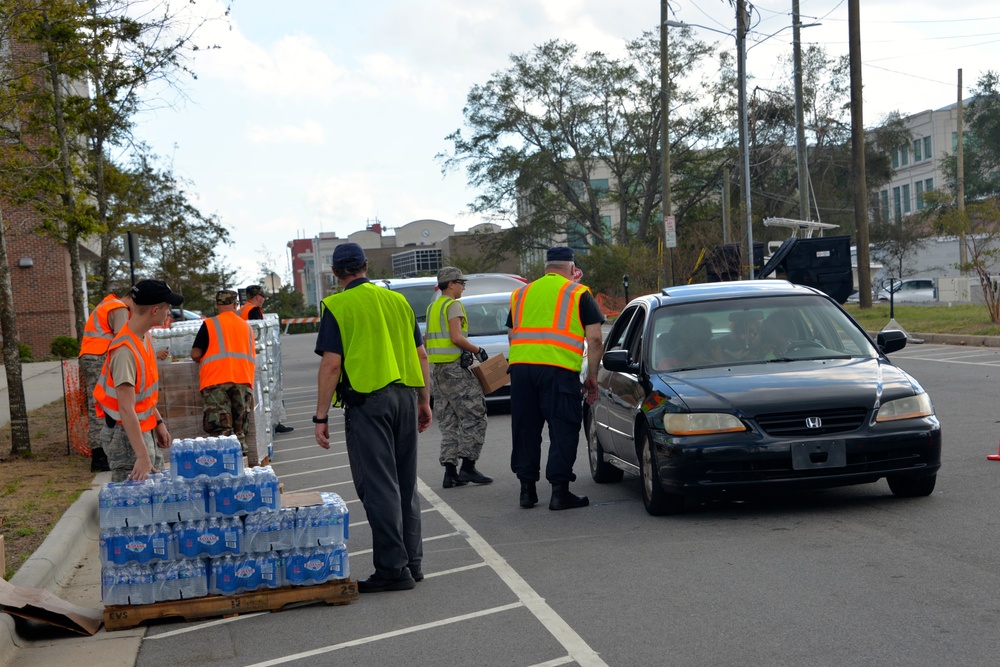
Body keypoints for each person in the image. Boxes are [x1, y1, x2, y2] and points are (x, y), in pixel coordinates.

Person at [313, 242, 432, 593]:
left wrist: (320, 417)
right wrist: (424, 400)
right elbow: (421, 354)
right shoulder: (399, 301)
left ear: (336, 274)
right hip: (404, 397)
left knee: (379, 487)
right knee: (405, 483)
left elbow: (332, 364)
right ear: (366, 265)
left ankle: (393, 570)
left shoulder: (338, 306)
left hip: (369, 403)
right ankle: (413, 563)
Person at [507, 246, 604, 511]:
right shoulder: (578, 293)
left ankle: (527, 491)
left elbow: (511, 334)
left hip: (521, 369)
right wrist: (592, 376)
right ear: (573, 269)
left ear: (547, 268)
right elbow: (595, 338)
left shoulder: (521, 293)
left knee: (525, 428)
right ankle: (559, 493)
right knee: (562, 428)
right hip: (558, 370)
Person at [93, 280, 184, 482]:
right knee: (135, 504)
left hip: (142, 429)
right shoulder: (125, 350)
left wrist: (158, 422)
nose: (168, 313)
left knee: (156, 494)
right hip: (125, 437)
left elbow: (144, 395)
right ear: (155, 310)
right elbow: (126, 409)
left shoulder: (143, 338)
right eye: (167, 308)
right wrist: (142, 456)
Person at [424, 266, 491, 489]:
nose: (463, 287)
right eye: (461, 283)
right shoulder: (453, 305)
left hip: (438, 372)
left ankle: (450, 473)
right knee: (475, 414)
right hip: (455, 370)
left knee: (449, 420)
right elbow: (455, 337)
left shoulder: (433, 307)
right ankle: (468, 467)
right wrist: (477, 349)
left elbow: (427, 340)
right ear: (451, 284)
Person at [190, 290, 257, 453]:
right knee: (239, 429)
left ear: (216, 305)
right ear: (235, 305)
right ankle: (242, 460)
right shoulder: (247, 328)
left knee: (222, 430)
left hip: (216, 381)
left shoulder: (210, 324)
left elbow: (195, 354)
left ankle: (225, 465)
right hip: (243, 380)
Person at [79, 290, 135, 471]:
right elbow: (123, 339)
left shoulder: (106, 304)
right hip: (99, 356)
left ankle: (100, 453)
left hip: (91, 355)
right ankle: (101, 456)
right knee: (102, 403)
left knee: (97, 403)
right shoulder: (119, 308)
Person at [241, 284, 294, 434]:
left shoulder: (241, 310)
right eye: (263, 297)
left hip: (245, 355)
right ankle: (271, 425)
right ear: (258, 297)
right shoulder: (254, 311)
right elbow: (260, 336)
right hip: (257, 355)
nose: (263, 300)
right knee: (265, 392)